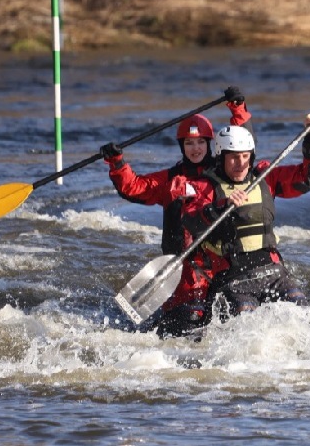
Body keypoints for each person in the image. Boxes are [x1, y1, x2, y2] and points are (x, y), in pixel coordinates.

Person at [101, 86, 251, 337]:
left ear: (209, 143)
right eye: (189, 143)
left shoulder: (224, 172)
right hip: (182, 270)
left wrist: (237, 108)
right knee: (182, 325)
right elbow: (133, 188)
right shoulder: (171, 180)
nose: (195, 149)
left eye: (201, 142)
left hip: (221, 264)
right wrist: (117, 163)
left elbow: (242, 142)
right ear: (182, 146)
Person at [176, 113, 310, 320]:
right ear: (221, 157)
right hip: (232, 280)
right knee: (248, 326)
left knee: (305, 316)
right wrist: (221, 207)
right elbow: (191, 220)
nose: (240, 163)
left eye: (245, 156)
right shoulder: (203, 187)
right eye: (234, 157)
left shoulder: (265, 178)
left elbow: (309, 177)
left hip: (273, 273)